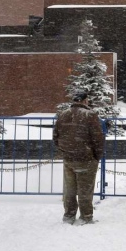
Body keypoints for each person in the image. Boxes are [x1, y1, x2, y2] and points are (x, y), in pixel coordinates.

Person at [53, 91, 105, 225]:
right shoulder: (90, 115)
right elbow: (97, 138)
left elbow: (55, 136)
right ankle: (86, 216)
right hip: (86, 157)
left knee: (69, 189)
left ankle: (69, 215)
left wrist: (64, 150)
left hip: (68, 157)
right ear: (85, 101)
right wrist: (97, 155)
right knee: (85, 190)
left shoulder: (63, 114)